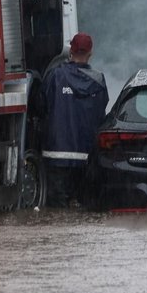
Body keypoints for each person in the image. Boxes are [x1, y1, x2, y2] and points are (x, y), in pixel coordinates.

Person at [42, 32, 108, 207]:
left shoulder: (55, 76)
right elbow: (103, 112)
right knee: (85, 207)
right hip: (87, 158)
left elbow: (41, 106)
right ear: (91, 53)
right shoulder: (99, 80)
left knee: (58, 210)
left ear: (70, 50)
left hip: (57, 156)